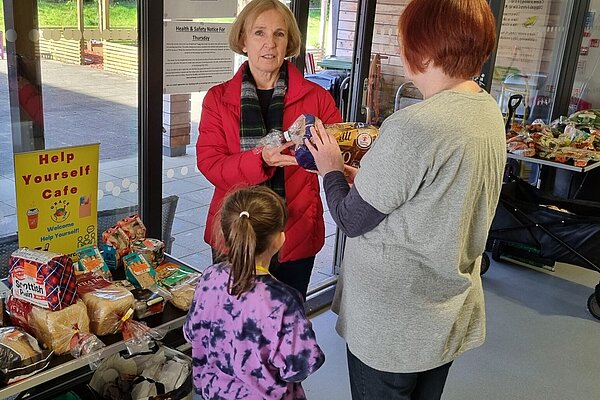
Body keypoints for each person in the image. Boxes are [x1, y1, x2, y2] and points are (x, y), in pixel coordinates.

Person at [305, 0, 507, 399]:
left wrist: (329, 167)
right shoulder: (486, 111)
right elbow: (433, 194)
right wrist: (363, 177)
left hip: (392, 322)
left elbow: (350, 219)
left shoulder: (415, 125)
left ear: (425, 52)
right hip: (444, 310)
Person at [196, 0, 342, 299]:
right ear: (243, 40)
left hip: (295, 232)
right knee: (233, 325)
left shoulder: (316, 98)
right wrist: (259, 159)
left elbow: (335, 153)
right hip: (236, 232)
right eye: (259, 33)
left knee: (287, 327)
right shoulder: (218, 98)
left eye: (279, 34)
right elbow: (210, 163)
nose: (269, 44)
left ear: (289, 42)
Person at [183, 186, 325, 399]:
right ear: (280, 239)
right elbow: (299, 366)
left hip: (210, 394)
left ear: (226, 232)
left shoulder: (209, 277)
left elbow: (190, 332)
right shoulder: (283, 300)